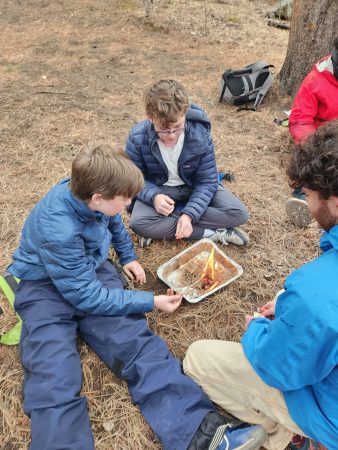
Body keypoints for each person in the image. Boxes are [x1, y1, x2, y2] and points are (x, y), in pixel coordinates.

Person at [7, 143, 265, 450]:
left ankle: (201, 434)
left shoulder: (93, 196)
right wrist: (150, 301)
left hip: (88, 267)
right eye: (125, 198)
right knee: (51, 368)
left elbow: (113, 219)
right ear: (98, 198)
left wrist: (128, 257)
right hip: (44, 288)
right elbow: (89, 299)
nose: (130, 203)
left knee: (135, 342)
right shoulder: (59, 228)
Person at [184, 120, 338, 450]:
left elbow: (276, 366)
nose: (309, 208)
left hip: (330, 417)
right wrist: (289, 306)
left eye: (309, 196)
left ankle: (285, 434)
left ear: (335, 201)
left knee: (197, 358)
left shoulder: (317, 291)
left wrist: (254, 329)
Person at [125, 79, 250, 248]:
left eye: (177, 127)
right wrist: (154, 197)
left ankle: (161, 226)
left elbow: (207, 181)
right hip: (160, 190)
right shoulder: (137, 137)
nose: (171, 135)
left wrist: (189, 215)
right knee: (139, 223)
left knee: (239, 213)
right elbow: (134, 179)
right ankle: (211, 233)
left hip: (193, 187)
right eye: (163, 128)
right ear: (150, 118)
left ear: (185, 112)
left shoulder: (200, 134)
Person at [286, 36, 338, 227]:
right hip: (321, 142)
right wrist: (315, 145)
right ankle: (305, 197)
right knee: (319, 169)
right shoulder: (316, 80)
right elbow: (299, 120)